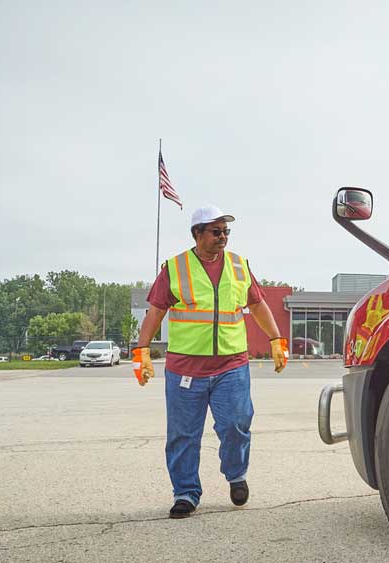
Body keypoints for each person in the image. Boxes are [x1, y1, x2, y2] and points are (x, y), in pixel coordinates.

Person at [133, 204, 288, 519]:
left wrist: (276, 339)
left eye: (226, 232)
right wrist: (142, 350)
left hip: (231, 366)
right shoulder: (175, 268)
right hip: (185, 370)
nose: (223, 237)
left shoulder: (239, 266)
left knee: (235, 425)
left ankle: (235, 473)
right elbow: (155, 311)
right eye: (216, 232)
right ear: (197, 233)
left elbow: (257, 305)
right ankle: (186, 493)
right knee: (183, 435)